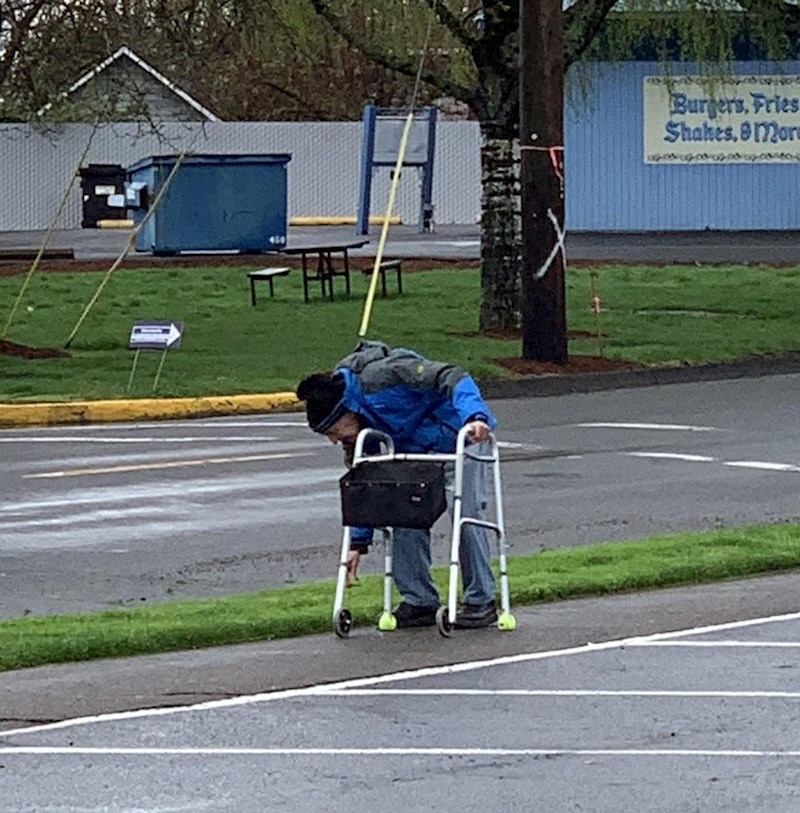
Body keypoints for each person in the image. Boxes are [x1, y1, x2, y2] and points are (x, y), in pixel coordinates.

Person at [296, 339, 499, 629]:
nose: (333, 439)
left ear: (346, 412)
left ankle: (481, 600)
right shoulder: (358, 432)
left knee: (465, 512)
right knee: (403, 513)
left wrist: (474, 416)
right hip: (414, 450)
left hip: (460, 435)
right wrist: (358, 542)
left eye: (333, 430)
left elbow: (451, 375)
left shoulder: (386, 375)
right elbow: (367, 484)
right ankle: (420, 601)